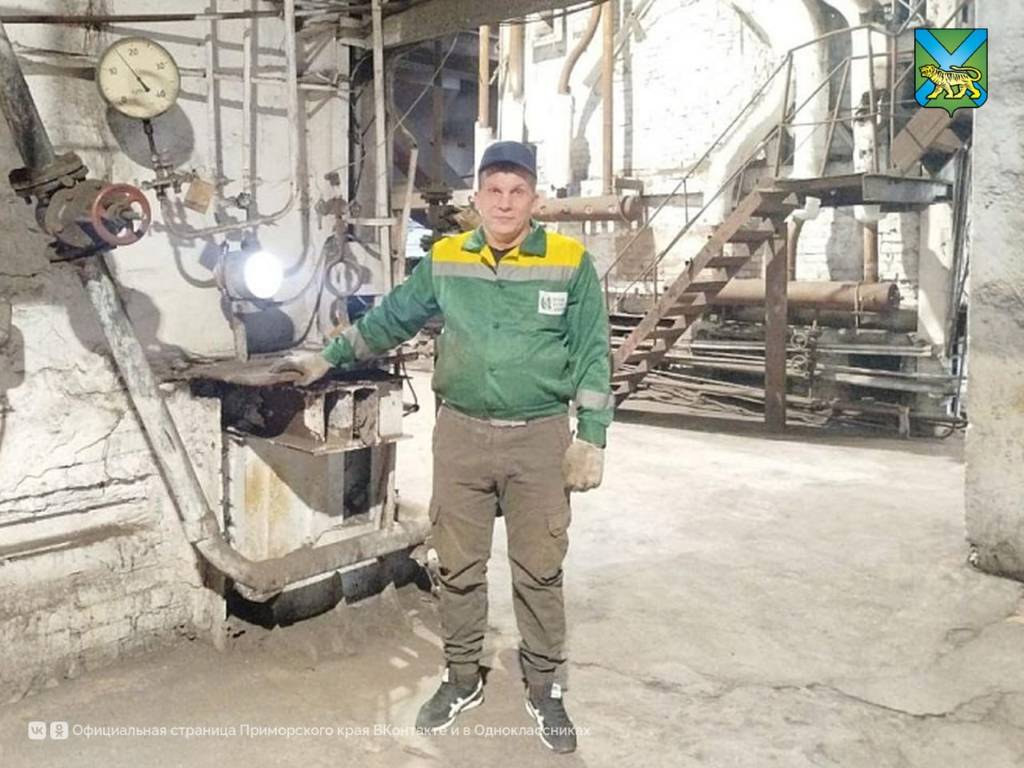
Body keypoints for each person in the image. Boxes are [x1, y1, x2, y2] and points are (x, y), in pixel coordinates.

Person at [272, 141, 612, 754]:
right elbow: (392, 319)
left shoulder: (570, 262)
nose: (504, 203)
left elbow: (592, 351)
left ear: (534, 200)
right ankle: (461, 677)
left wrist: (591, 437)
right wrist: (330, 356)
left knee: (540, 567)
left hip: (539, 438)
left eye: (517, 192)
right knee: (456, 564)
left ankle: (545, 687)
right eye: (493, 191)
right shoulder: (447, 259)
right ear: (476, 197)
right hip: (461, 436)